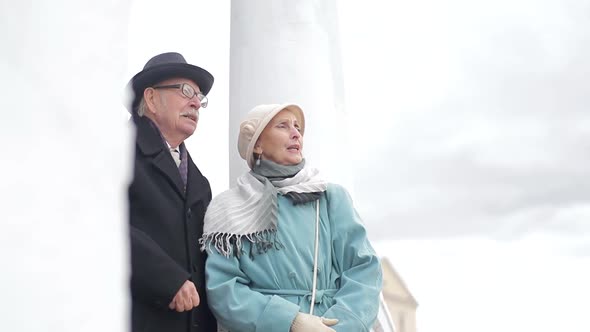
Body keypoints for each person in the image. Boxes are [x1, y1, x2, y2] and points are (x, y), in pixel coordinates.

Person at [200, 103, 383, 332]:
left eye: (297, 127)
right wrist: (290, 322)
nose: (296, 133)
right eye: (283, 126)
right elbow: (224, 290)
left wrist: (339, 326)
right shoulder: (228, 207)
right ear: (257, 145)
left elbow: (363, 268)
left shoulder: (330, 196)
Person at [127, 52, 217, 332]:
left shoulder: (200, 182)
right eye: (185, 91)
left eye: (199, 97)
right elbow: (99, 221)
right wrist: (167, 279)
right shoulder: (117, 152)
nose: (195, 103)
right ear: (152, 98)